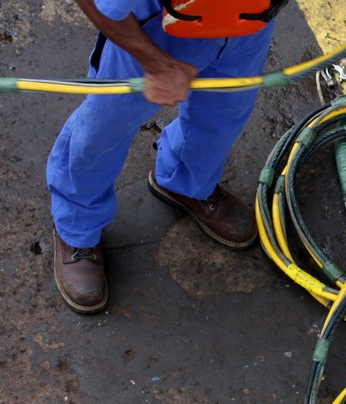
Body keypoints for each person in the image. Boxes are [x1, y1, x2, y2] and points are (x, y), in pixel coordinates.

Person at [49, 0, 283, 314]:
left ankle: (186, 182)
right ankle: (76, 224)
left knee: (225, 112)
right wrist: (154, 62)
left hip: (251, 19)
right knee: (105, 127)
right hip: (161, 27)